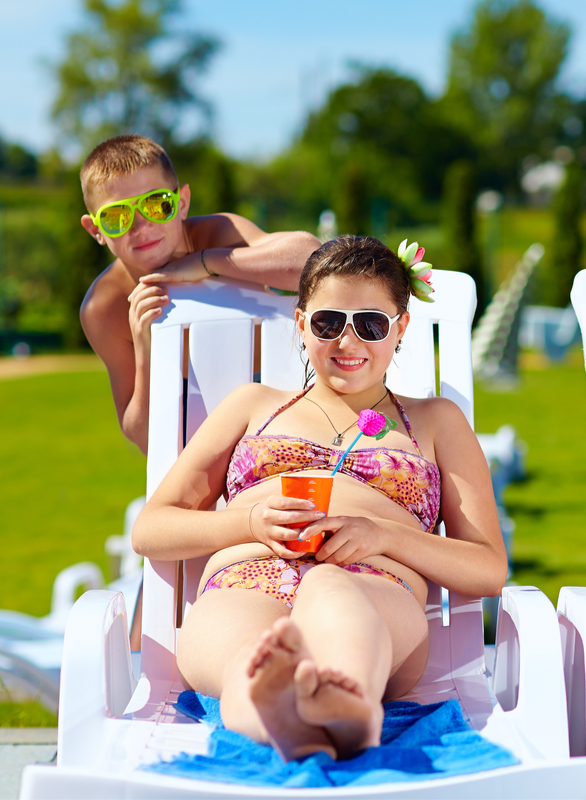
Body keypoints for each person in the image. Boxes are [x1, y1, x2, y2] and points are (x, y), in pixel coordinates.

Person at [132, 236, 507, 761]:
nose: (348, 342)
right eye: (330, 322)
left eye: (371, 324)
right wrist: (251, 524)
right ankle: (275, 711)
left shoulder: (435, 421)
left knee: (333, 590)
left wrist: (383, 535)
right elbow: (151, 529)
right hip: (246, 581)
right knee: (250, 656)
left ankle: (341, 697)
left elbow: (488, 567)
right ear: (302, 321)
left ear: (400, 328)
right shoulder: (253, 406)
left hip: (372, 583)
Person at [79, 134, 321, 455]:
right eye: (117, 217)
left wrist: (207, 261)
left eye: (157, 204)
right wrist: (146, 348)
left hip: (291, 418)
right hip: (199, 452)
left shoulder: (218, 235)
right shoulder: (104, 307)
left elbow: (315, 261)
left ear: (181, 203)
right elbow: (145, 439)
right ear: (95, 229)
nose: (141, 225)